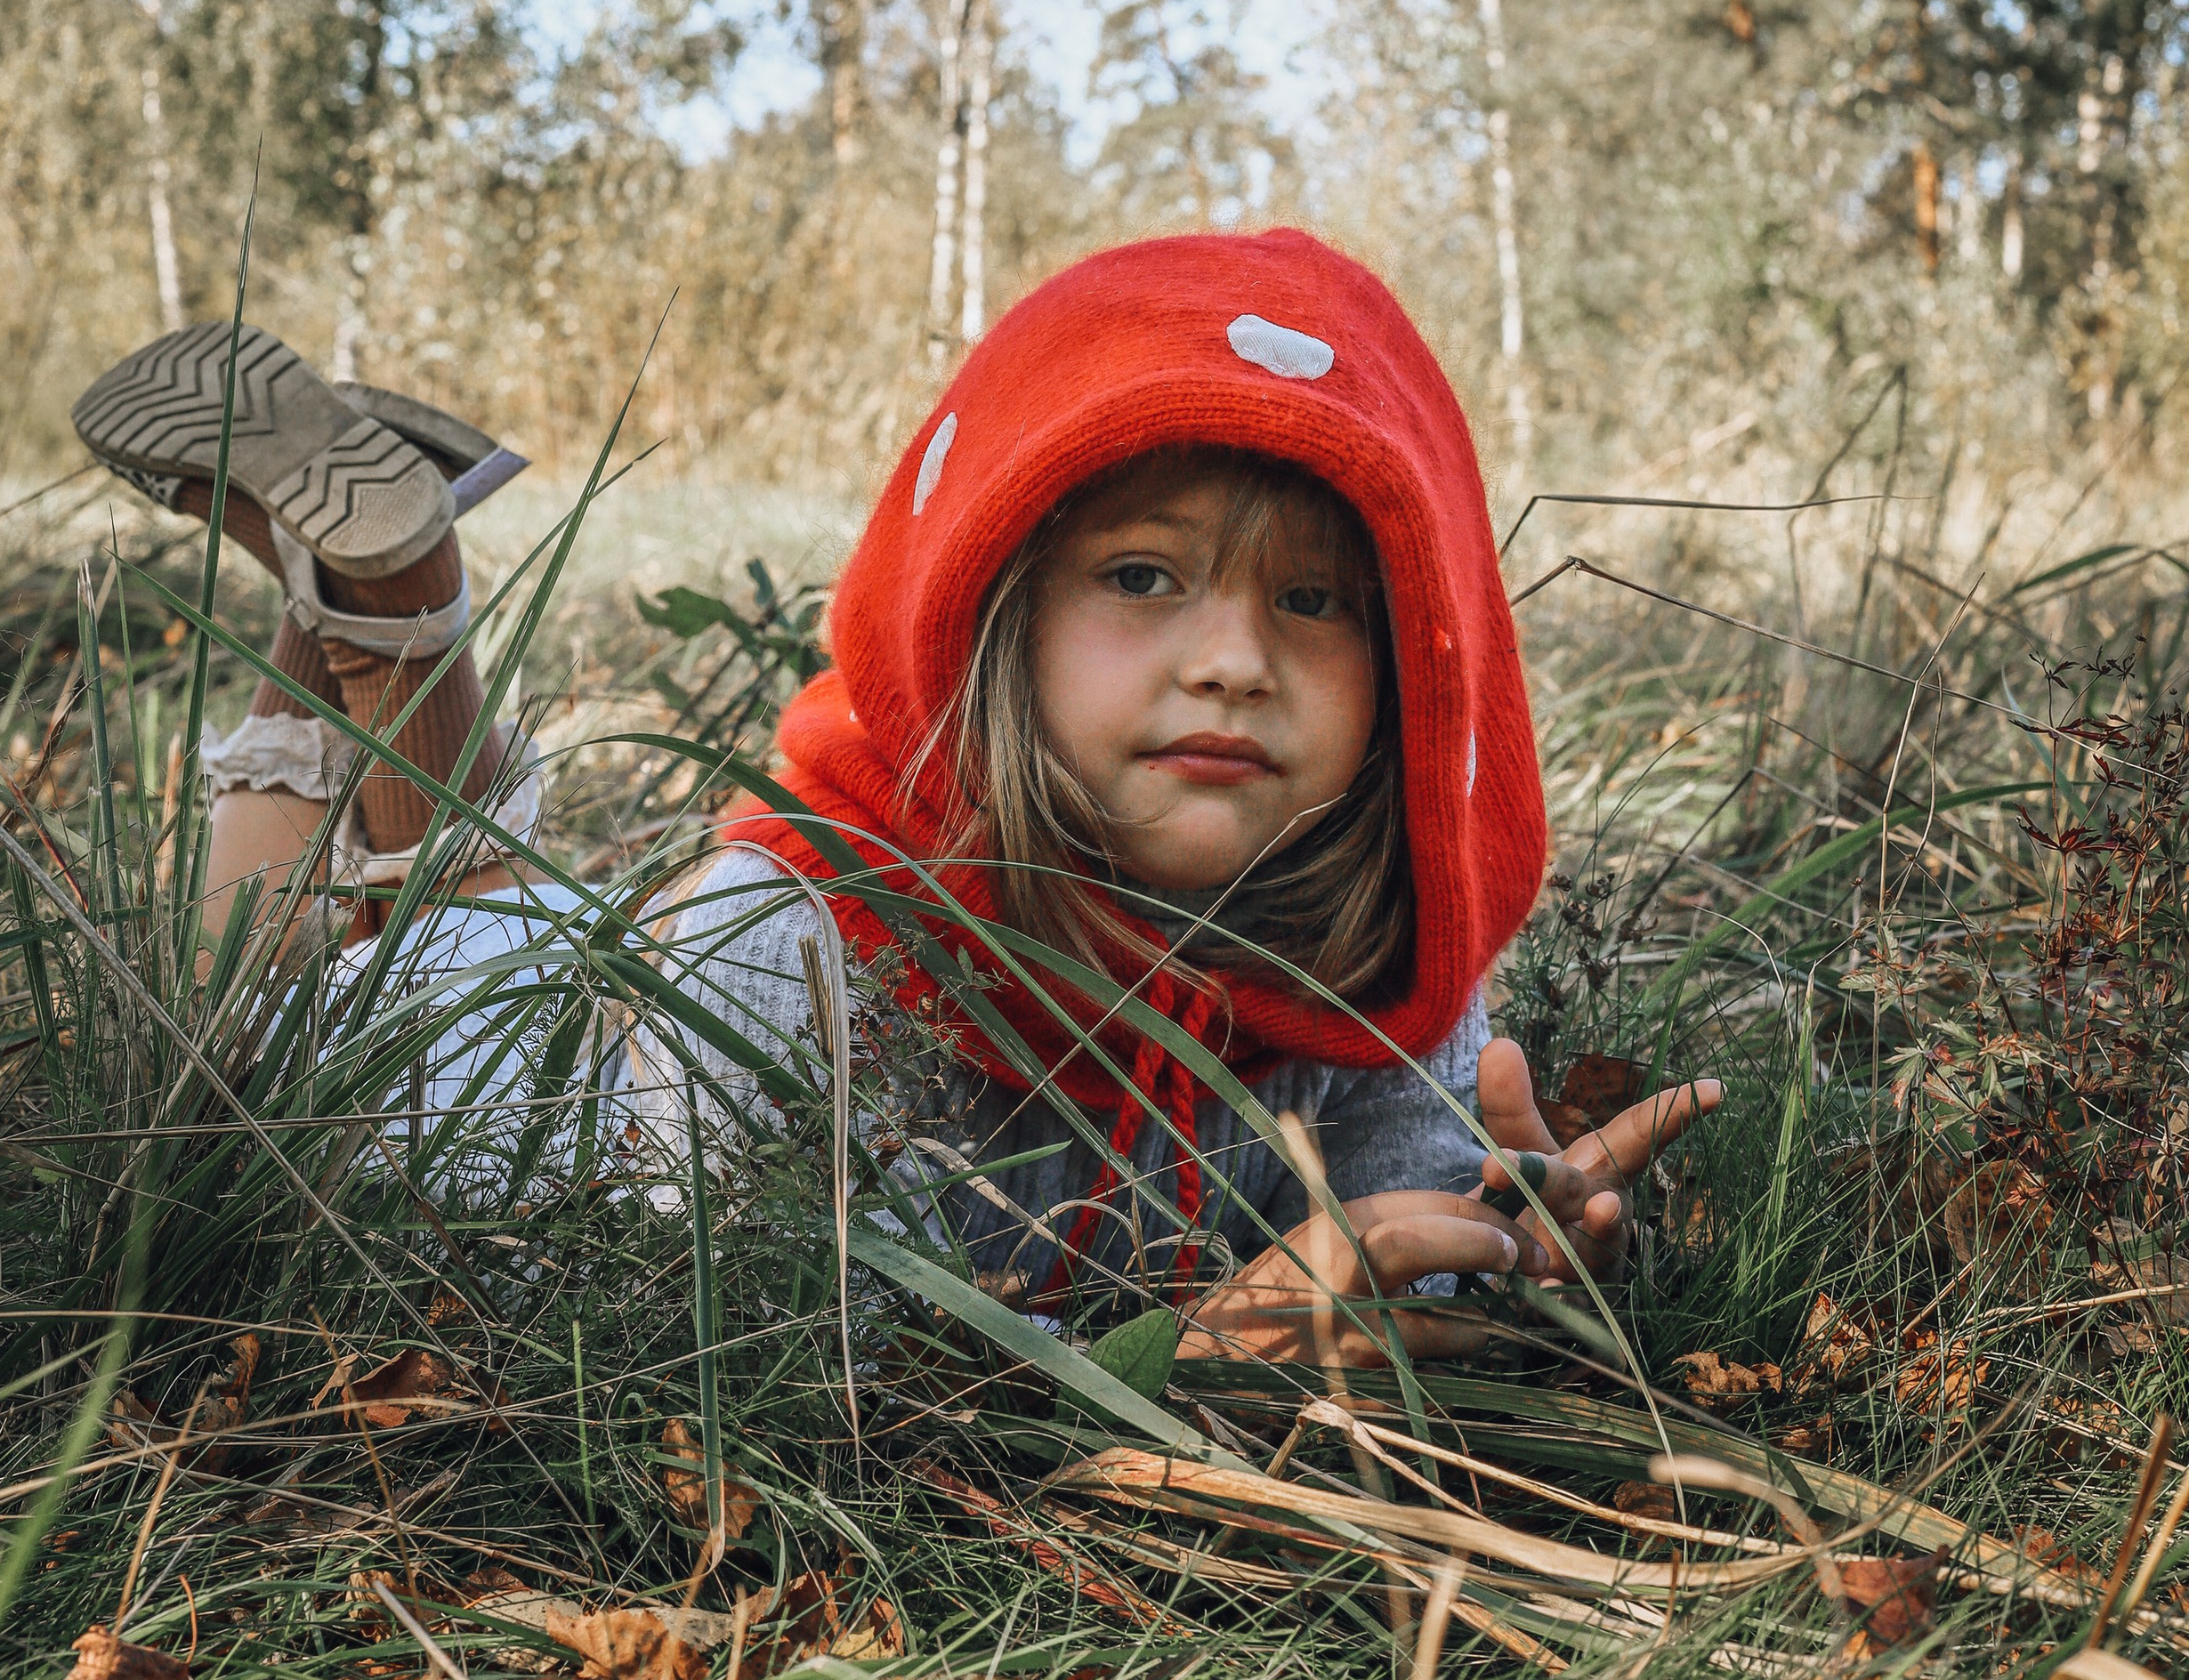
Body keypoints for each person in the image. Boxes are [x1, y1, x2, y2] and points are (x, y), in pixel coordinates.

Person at [650, 227, 1719, 1365]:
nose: (1234, 662)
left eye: (1312, 599)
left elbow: (1393, 1274)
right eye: (1141, 576)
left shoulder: (1375, 968)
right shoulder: (786, 939)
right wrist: (1176, 1362)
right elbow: (754, 1353)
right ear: (994, 613)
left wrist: (1509, 1261)